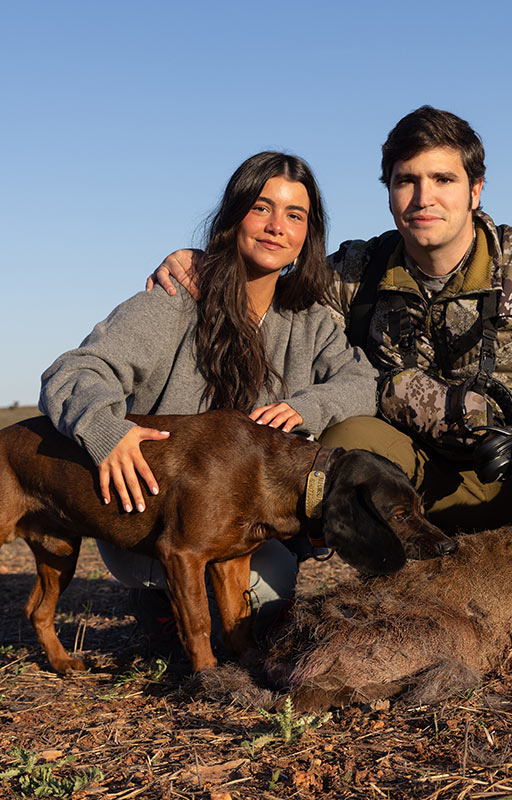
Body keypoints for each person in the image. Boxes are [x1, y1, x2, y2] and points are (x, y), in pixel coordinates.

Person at [150, 108, 512, 533]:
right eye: (406, 180)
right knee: (345, 442)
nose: (424, 197)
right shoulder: (353, 271)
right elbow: (269, 293)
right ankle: (400, 581)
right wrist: (209, 260)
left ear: (474, 190)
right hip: (416, 476)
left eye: (443, 180)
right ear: (389, 192)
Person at [41, 151, 378, 639]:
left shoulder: (310, 321)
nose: (276, 226)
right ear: (232, 217)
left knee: (269, 584)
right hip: (148, 516)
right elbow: (73, 371)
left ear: (308, 236)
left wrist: (306, 407)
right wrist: (106, 431)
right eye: (261, 207)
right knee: (264, 590)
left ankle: (189, 608)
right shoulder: (174, 300)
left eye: (295, 215)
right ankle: (162, 599)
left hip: (243, 524)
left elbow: (363, 382)